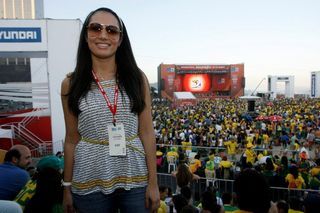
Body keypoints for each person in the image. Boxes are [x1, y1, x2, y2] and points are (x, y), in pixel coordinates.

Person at [61, 7, 159, 213]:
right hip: (88, 179)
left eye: (112, 30)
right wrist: (66, 187)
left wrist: (153, 183)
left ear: (120, 39)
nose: (103, 35)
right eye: (96, 28)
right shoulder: (70, 83)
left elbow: (147, 132)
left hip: (135, 177)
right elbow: (71, 139)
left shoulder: (137, 78)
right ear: (86, 36)